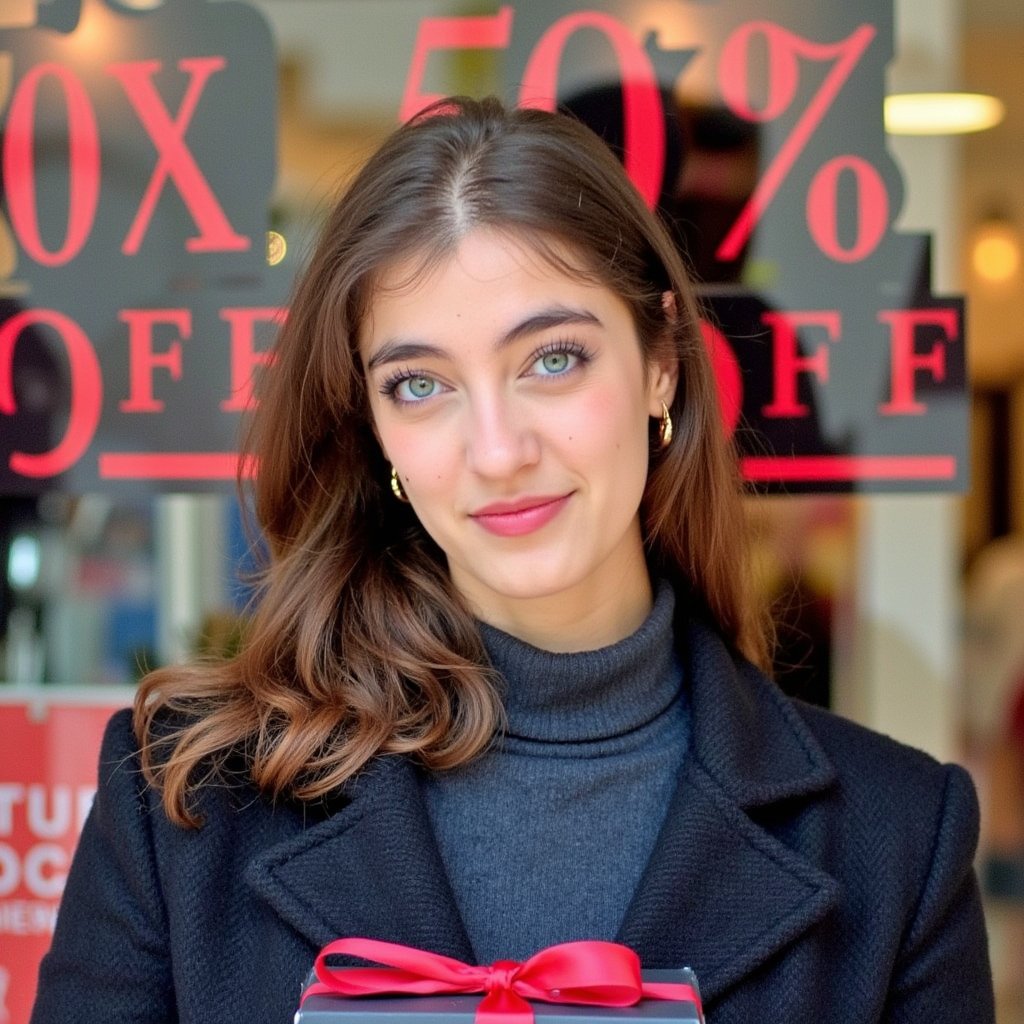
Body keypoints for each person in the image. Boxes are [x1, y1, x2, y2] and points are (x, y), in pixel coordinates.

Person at [31, 96, 993, 1024]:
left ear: (661, 359)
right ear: (374, 432)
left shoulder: (899, 838)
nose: (497, 451)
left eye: (553, 359)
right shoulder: (185, 806)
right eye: (419, 385)